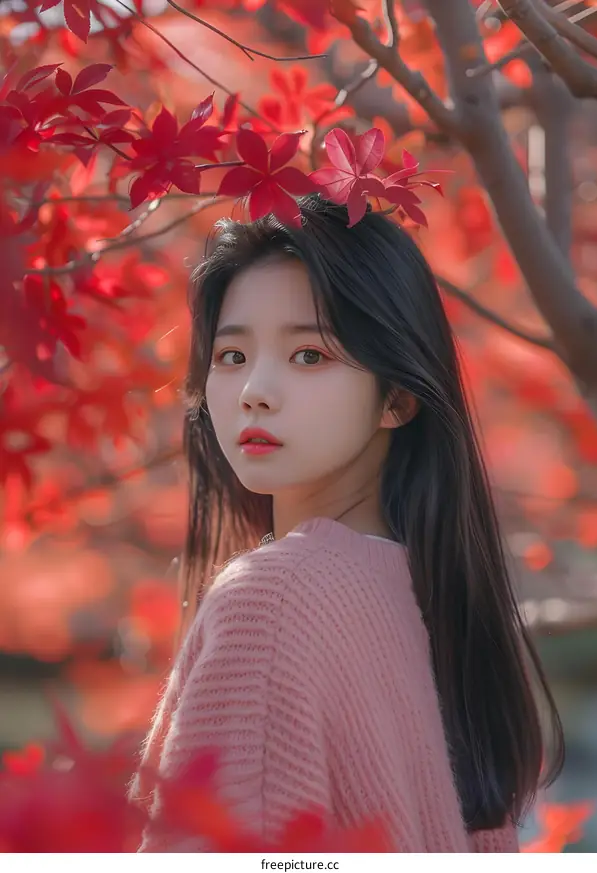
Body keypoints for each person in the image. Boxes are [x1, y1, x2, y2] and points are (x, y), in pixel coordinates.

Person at [129, 194, 564, 852]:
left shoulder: (274, 598)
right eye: (231, 356)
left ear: (397, 396)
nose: (254, 390)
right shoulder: (424, 604)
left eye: (309, 355)